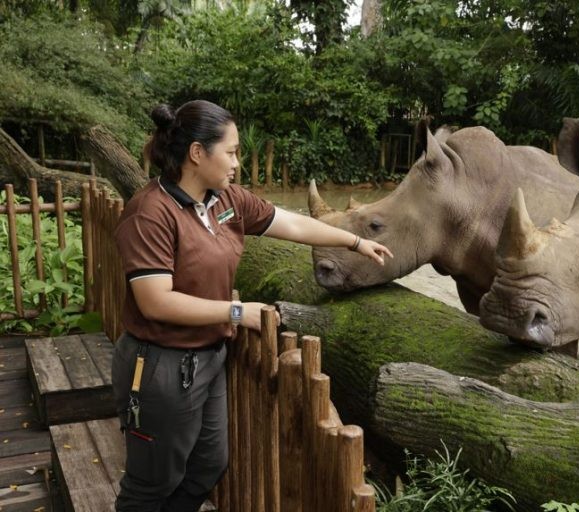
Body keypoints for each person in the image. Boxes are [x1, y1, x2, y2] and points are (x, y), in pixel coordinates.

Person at [111, 99, 392, 511]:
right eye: (231, 152)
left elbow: (292, 223)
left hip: (207, 358)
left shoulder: (225, 200)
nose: (237, 163)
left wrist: (354, 241)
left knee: (208, 465)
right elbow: (155, 302)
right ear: (196, 153)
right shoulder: (150, 212)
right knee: (153, 482)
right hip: (159, 367)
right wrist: (238, 312)